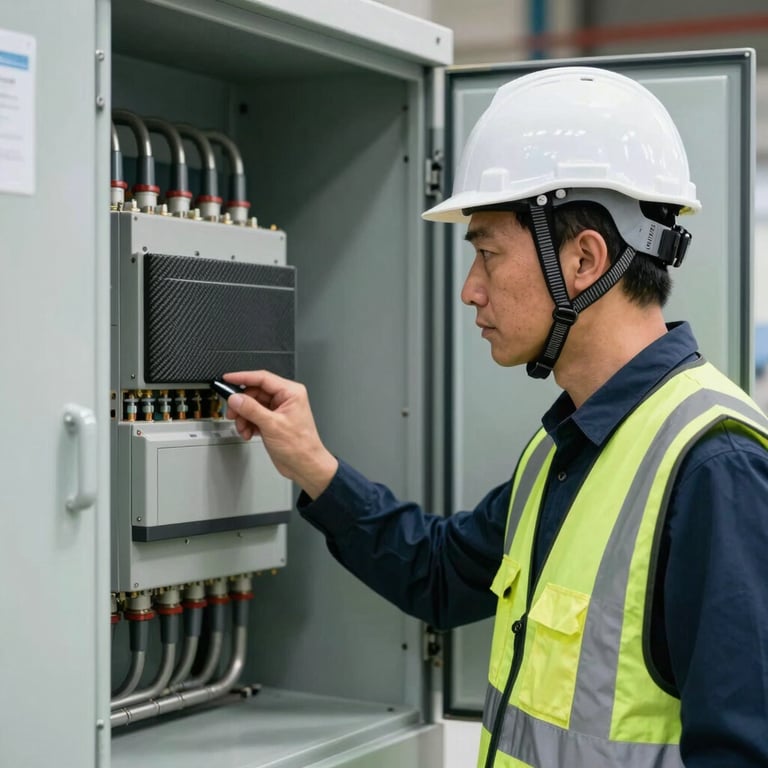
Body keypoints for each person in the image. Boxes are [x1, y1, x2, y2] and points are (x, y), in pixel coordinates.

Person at [222, 67, 768, 768]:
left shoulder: (715, 468)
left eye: (486, 253)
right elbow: (442, 573)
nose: (469, 290)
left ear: (583, 257)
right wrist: (312, 465)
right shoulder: (566, 450)